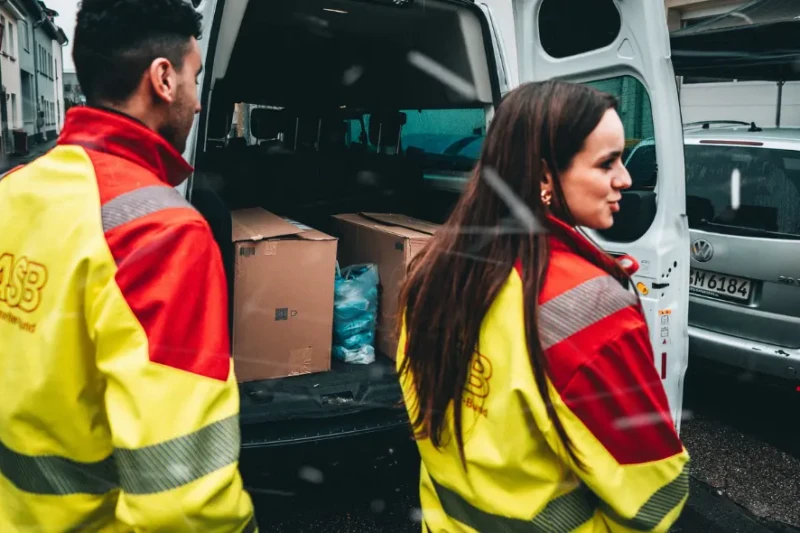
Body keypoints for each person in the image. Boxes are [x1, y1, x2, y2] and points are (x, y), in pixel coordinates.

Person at [0, 1, 257, 531]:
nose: (199, 102)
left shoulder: (15, 191)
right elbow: (185, 501)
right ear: (163, 79)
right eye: (195, 77)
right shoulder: (163, 234)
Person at [397, 80, 690, 533]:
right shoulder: (589, 306)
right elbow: (652, 496)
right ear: (543, 176)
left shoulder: (435, 271)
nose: (626, 179)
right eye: (607, 162)